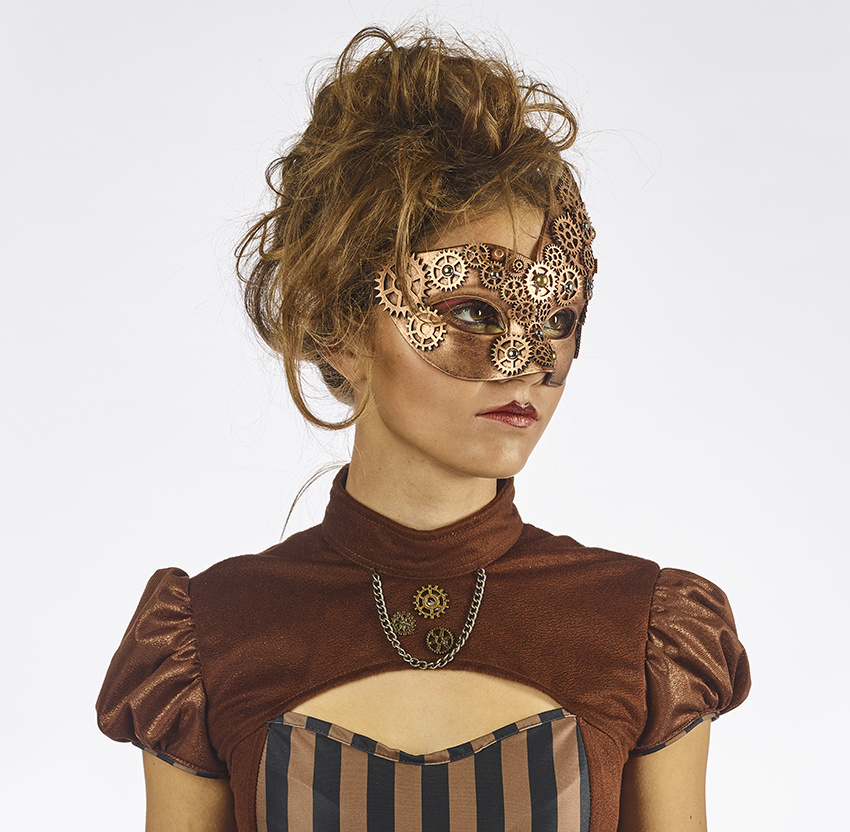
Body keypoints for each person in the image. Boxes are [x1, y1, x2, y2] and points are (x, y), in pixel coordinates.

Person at [96, 26, 750, 832]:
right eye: (473, 311)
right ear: (335, 324)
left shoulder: (641, 631)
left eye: (557, 319)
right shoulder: (211, 636)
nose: (526, 362)